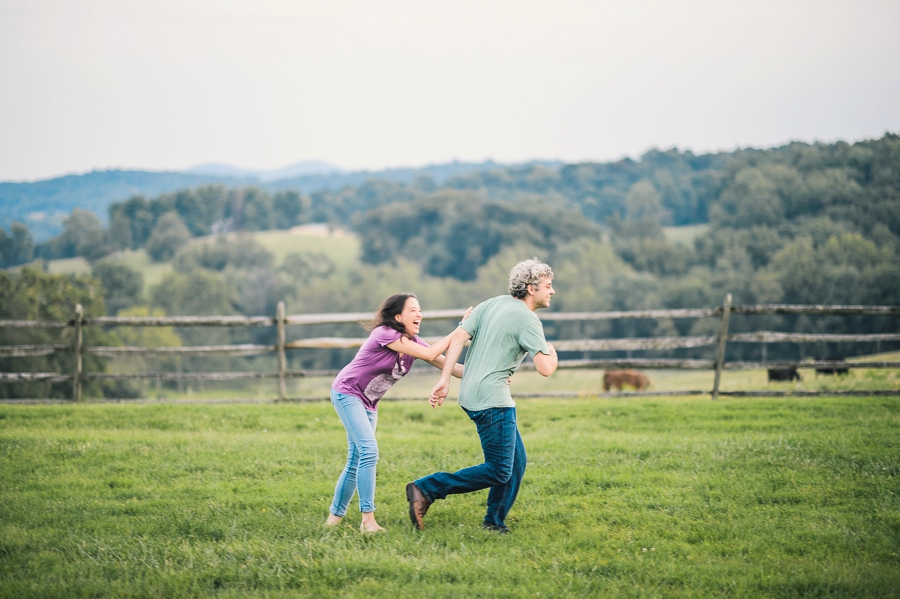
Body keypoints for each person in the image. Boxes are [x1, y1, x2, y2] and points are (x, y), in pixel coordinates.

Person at [406, 258, 559, 533]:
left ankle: (494, 521)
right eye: (548, 286)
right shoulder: (529, 320)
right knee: (500, 469)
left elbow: (457, 337)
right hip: (493, 402)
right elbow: (545, 369)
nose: (552, 291)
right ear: (531, 288)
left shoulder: (492, 303)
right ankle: (426, 488)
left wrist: (444, 379)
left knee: (515, 461)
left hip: (471, 396)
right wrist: (552, 353)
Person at [325, 293, 471, 532]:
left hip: (369, 402)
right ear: (397, 316)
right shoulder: (385, 334)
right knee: (369, 452)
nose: (419, 314)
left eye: (420, 310)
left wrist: (489, 376)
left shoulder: (413, 342)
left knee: (355, 461)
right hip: (347, 393)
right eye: (413, 310)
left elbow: (452, 367)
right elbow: (429, 354)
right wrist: (460, 330)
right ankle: (368, 521)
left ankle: (333, 521)